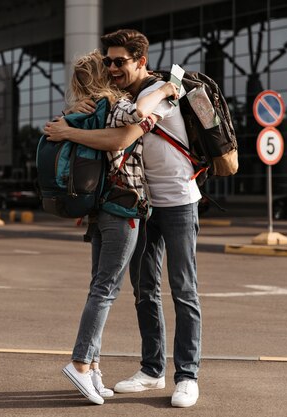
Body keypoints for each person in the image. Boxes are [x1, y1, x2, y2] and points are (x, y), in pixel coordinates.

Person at [44, 29, 203, 408]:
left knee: (183, 289)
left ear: (140, 61)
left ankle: (187, 375)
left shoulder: (161, 92)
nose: (112, 67)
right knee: (144, 290)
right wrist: (72, 116)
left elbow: (122, 137)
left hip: (178, 201)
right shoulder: (122, 99)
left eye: (119, 61)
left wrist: (69, 126)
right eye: (108, 62)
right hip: (142, 205)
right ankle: (152, 369)